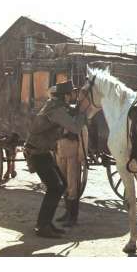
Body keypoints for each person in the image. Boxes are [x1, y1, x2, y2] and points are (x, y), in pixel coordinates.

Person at [24, 80, 88, 238]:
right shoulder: (56, 110)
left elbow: (67, 113)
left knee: (61, 185)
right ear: (66, 96)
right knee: (56, 187)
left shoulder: (56, 105)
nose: (74, 95)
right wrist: (83, 113)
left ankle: (45, 223)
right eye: (72, 93)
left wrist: (75, 110)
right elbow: (74, 127)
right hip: (37, 153)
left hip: (42, 151)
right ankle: (43, 226)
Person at [55, 97, 88, 227]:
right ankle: (67, 213)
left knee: (73, 185)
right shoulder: (60, 118)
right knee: (64, 184)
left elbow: (84, 137)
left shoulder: (78, 120)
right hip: (61, 153)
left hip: (73, 156)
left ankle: (73, 217)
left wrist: (81, 155)